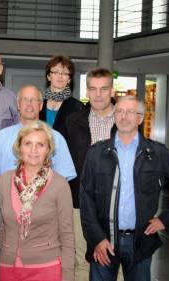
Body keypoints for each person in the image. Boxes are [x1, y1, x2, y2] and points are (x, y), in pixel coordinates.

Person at [80, 96, 169, 281]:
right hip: (104, 241)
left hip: (141, 242)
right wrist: (96, 239)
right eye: (119, 111)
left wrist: (165, 219)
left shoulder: (157, 153)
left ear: (140, 119)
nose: (124, 116)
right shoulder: (96, 153)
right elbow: (86, 201)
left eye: (130, 112)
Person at [0, 120, 75, 281]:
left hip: (46, 269)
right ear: (19, 147)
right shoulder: (4, 180)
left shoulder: (59, 184)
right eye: (28, 143)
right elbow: (0, 229)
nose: (33, 150)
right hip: (7, 268)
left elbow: (67, 236)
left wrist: (67, 276)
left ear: (48, 149)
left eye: (40, 144)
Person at [63, 68, 116, 281]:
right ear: (87, 91)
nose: (98, 94)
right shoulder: (73, 121)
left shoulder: (125, 119)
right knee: (81, 260)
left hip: (116, 203)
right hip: (79, 202)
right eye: (93, 89)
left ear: (111, 90)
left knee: (115, 257)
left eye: (104, 89)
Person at [0, 84, 76, 181]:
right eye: (25, 99)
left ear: (41, 105)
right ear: (18, 104)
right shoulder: (1, 137)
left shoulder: (56, 138)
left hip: (46, 196)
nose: (29, 103)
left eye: (33, 100)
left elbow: (63, 178)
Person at [39, 55, 84, 136]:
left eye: (64, 73)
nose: (60, 76)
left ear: (69, 80)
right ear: (49, 76)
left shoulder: (78, 107)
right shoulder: (39, 105)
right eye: (56, 72)